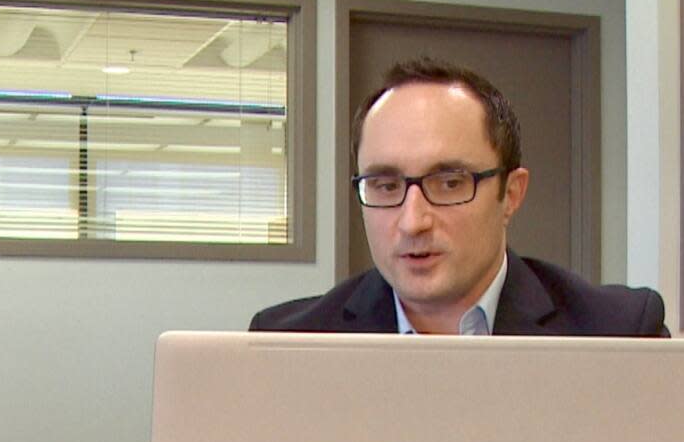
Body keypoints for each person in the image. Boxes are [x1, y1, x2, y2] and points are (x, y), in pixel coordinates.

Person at [251, 57, 668, 336]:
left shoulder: (618, 330)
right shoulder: (288, 340)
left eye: (449, 183)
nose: (413, 221)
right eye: (386, 185)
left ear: (511, 194)